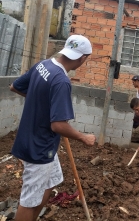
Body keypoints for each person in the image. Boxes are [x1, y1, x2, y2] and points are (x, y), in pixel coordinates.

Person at [10, 35, 96, 221]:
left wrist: (40, 103)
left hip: (34, 140)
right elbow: (58, 125)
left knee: (53, 179)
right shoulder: (61, 81)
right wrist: (83, 137)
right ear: (82, 58)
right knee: (29, 200)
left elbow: (15, 87)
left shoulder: (44, 65)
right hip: (39, 148)